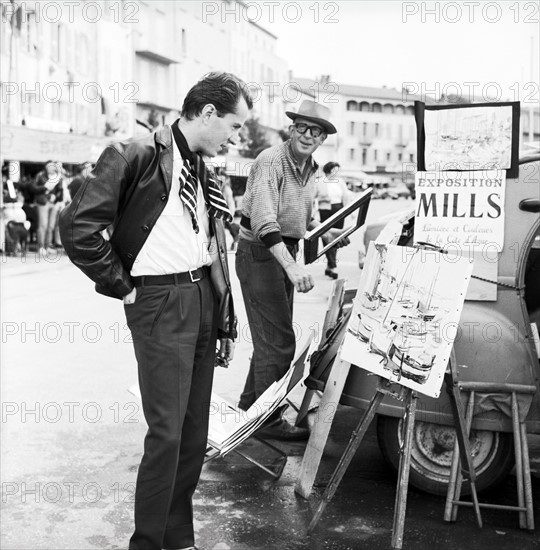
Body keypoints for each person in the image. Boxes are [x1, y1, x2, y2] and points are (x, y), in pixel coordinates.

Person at [60, 72, 252, 550]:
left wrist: (224, 316)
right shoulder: (136, 153)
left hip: (202, 299)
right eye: (234, 125)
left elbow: (210, 245)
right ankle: (147, 543)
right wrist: (122, 286)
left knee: (192, 433)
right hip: (160, 301)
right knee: (167, 433)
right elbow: (80, 229)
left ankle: (177, 538)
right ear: (207, 113)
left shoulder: (204, 168)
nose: (236, 136)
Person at [236, 99, 348, 440]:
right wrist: (291, 267)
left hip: (282, 249)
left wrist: (325, 231)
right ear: (291, 128)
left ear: (322, 139)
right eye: (302, 127)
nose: (307, 135)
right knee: (280, 343)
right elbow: (264, 220)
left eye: (316, 131)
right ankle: (267, 422)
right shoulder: (271, 161)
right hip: (260, 251)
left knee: (270, 339)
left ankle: (249, 409)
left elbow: (303, 216)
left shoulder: (311, 168)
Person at [315, 161, 351, 279]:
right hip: (325, 211)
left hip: (339, 211)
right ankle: (332, 265)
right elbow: (312, 198)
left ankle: (330, 266)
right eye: (334, 170)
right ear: (328, 170)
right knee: (327, 237)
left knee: (337, 238)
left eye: (337, 170)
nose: (336, 173)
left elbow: (346, 196)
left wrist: (349, 211)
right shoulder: (320, 182)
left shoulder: (340, 182)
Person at [32, 160, 64, 253]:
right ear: (46, 167)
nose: (51, 167)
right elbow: (33, 188)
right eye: (49, 166)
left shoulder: (58, 177)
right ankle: (41, 247)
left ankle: (48, 246)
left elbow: (60, 191)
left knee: (51, 226)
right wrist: (44, 188)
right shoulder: (40, 175)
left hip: (53, 203)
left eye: (52, 166)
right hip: (43, 202)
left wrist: (55, 196)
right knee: (43, 225)